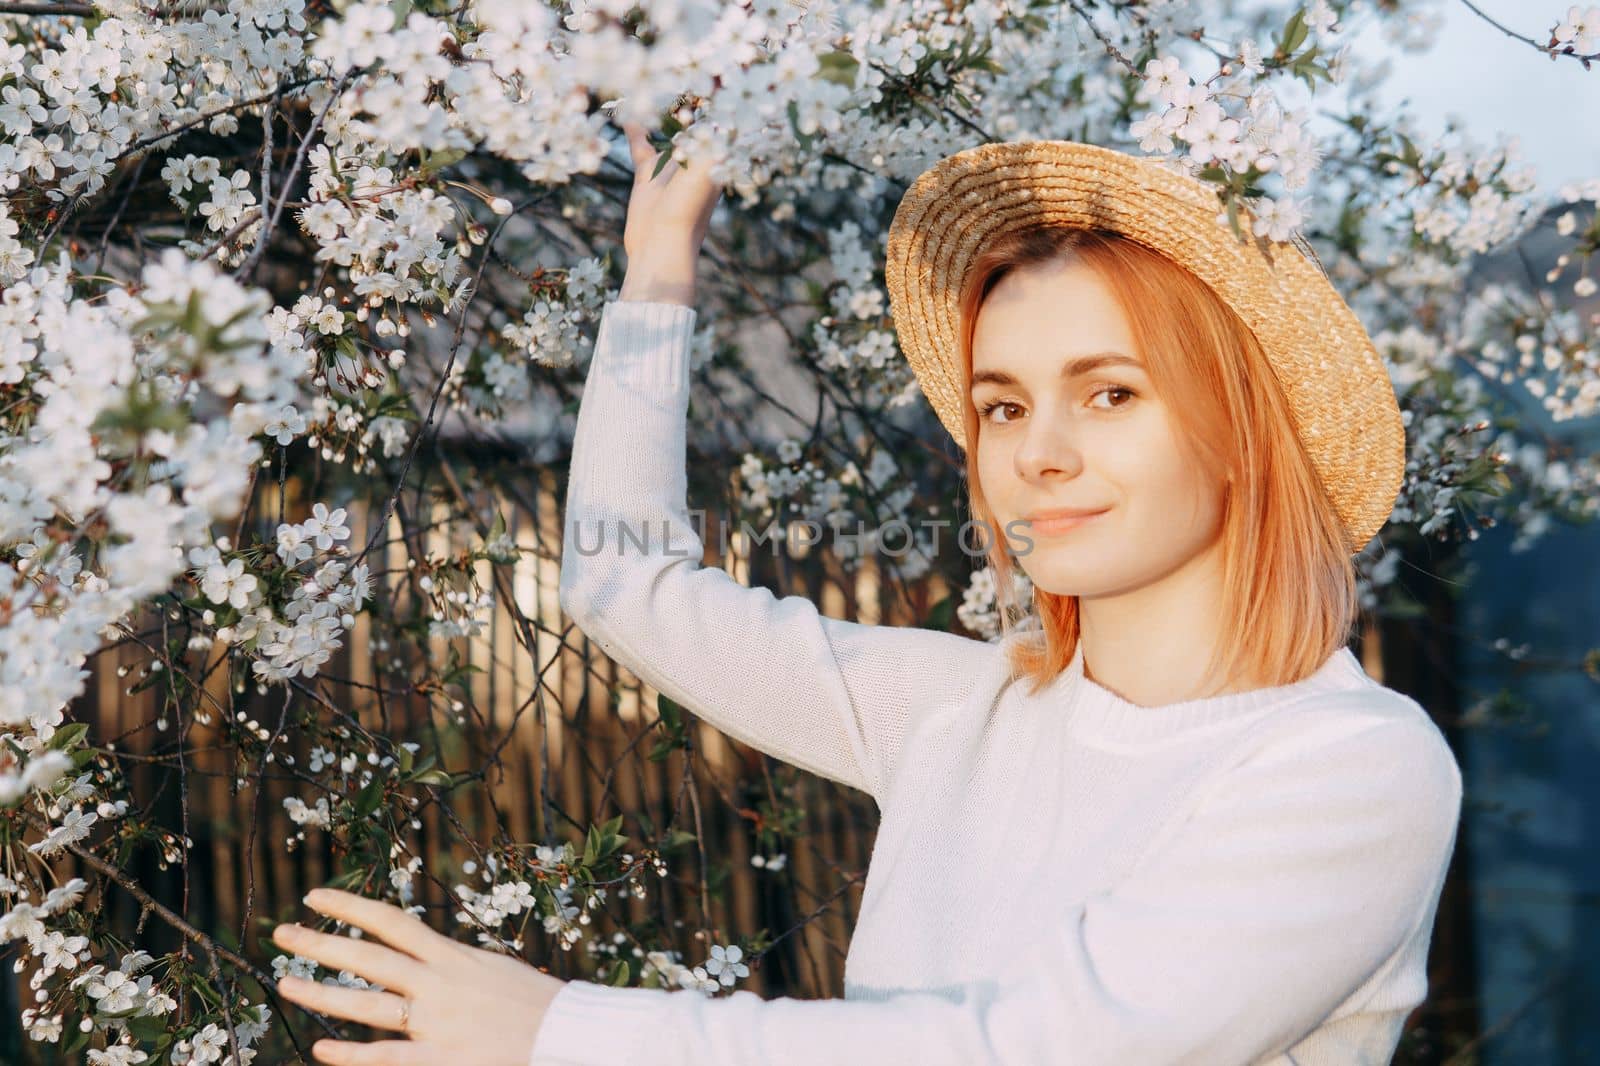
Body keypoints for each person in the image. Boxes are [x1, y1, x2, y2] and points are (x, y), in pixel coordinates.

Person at [272, 125, 1464, 1066]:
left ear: (1242, 440)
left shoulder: (1349, 766)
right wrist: (654, 280)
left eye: (1108, 393)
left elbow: (1036, 1054)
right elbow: (626, 578)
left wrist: (563, 1033)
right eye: (1002, 405)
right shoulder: (960, 709)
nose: (1035, 453)